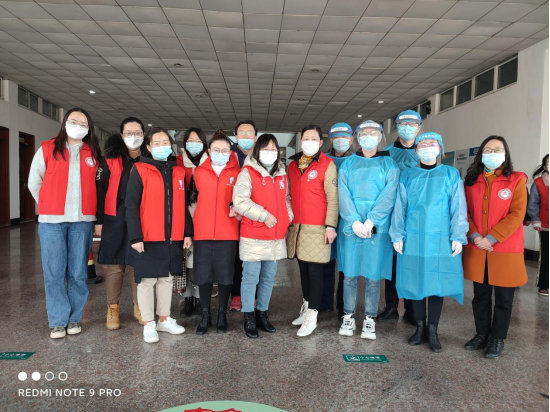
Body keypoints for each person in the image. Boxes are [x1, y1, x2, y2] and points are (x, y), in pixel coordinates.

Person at [390, 132, 468, 353]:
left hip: (440, 239)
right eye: (422, 145)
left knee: (436, 284)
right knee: (416, 282)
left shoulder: (450, 174)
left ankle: (433, 331)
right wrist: (397, 235)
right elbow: (400, 207)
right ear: (416, 150)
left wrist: (457, 236)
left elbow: (458, 207)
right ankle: (420, 327)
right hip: (413, 238)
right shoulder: (407, 175)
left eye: (432, 144)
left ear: (440, 148)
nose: (427, 148)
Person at [28, 108, 101, 339]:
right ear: (65, 123)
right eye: (73, 121)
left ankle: (74, 318)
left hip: (82, 221)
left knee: (78, 272)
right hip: (52, 222)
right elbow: (34, 181)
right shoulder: (48, 148)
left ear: (88, 128)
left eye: (83, 123)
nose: (78, 126)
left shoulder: (93, 152)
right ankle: (58, 320)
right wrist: (48, 204)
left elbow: (99, 186)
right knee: (54, 272)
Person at [125, 127, 193, 344]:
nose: (162, 146)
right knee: (146, 281)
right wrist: (136, 237)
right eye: (157, 143)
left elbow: (183, 206)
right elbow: (131, 205)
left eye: (166, 142)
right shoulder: (140, 170)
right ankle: (148, 323)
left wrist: (187, 233)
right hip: (148, 237)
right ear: (148, 146)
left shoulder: (178, 172)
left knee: (167, 278)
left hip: (173, 237)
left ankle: (164, 319)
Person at [463, 136, 528, 359]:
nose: (493, 153)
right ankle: (482, 333)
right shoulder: (472, 181)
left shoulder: (517, 179)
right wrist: (475, 236)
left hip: (505, 248)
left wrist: (491, 238)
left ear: (505, 153)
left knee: (504, 299)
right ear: (481, 153)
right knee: (480, 296)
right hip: (478, 246)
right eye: (488, 150)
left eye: (497, 149)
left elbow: (517, 214)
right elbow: (465, 212)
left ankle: (497, 338)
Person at [338, 121, 400, 340]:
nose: (368, 136)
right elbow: (343, 193)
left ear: (380, 136)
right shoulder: (348, 164)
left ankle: (370, 319)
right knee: (350, 274)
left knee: (373, 276)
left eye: (373, 133)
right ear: (357, 137)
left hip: (377, 227)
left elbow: (389, 195)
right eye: (364, 133)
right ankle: (348, 316)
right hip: (351, 225)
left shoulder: (389, 164)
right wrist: (354, 220)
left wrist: (372, 220)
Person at [233, 134, 294, 338]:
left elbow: (286, 199)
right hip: (254, 234)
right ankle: (248, 316)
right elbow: (240, 201)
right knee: (251, 277)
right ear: (257, 151)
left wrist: (287, 217)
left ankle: (262, 313)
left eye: (273, 149)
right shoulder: (247, 172)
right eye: (266, 149)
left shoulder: (282, 174)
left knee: (268, 277)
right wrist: (264, 215)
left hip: (276, 235)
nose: (270, 153)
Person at [95, 117, 147, 330]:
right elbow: (100, 191)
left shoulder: (149, 157)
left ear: (144, 135)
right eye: (128, 133)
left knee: (138, 263)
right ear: (121, 135)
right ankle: (113, 308)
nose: (133, 137)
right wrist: (99, 221)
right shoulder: (110, 159)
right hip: (114, 217)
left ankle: (139, 306)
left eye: (137, 133)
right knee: (115, 265)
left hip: (142, 217)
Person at [287, 125, 339, 337]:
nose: (309, 141)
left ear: (320, 142)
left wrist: (331, 226)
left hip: (318, 227)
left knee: (316, 273)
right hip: (298, 227)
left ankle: (313, 316)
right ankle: (307, 306)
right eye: (306, 138)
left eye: (314, 138)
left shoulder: (327, 164)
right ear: (301, 142)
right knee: (304, 271)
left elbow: (333, 198)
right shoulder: (293, 165)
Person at [193, 129, 241, 335]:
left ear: (230, 152)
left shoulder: (238, 173)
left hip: (228, 231)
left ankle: (222, 313)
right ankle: (205, 314)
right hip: (202, 231)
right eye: (216, 150)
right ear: (209, 151)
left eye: (224, 150)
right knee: (203, 275)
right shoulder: (198, 172)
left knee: (225, 275)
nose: (220, 153)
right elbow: (191, 201)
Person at [378, 110, 423, 325]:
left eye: (412, 123)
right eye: (403, 123)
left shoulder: (425, 151)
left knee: (412, 262)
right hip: (390, 214)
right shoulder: (386, 153)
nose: (407, 127)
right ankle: (391, 306)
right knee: (393, 263)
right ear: (397, 126)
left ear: (419, 127)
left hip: (416, 215)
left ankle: (413, 308)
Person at [322, 122, 354, 318]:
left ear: (351, 140)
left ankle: (344, 307)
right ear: (331, 140)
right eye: (337, 137)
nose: (341, 141)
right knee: (326, 263)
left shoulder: (357, 161)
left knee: (346, 267)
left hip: (349, 220)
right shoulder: (324, 160)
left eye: (345, 137)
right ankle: (325, 303)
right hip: (326, 219)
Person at [177, 128, 209, 316]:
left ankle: (199, 298)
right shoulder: (177, 162)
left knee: (200, 262)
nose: (194, 144)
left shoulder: (211, 162)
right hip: (183, 217)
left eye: (198, 141)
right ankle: (187, 298)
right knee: (185, 261)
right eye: (191, 140)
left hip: (205, 218)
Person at [229, 120, 258, 312]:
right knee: (234, 258)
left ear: (255, 137)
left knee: (254, 258)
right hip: (232, 215)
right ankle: (236, 295)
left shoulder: (262, 156)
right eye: (242, 132)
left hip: (255, 214)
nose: (246, 136)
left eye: (250, 133)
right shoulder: (228, 155)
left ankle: (253, 296)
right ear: (236, 136)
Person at [528, 154, 549, 297]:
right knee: (546, 255)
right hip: (545, 225)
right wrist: (535, 220)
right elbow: (533, 203)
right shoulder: (539, 183)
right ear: (545, 167)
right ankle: (544, 285)